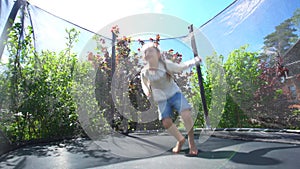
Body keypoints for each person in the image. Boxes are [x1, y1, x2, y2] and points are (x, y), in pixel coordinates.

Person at [140, 43, 201, 155]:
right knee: (166, 122)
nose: (148, 53)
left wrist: (195, 60)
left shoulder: (166, 65)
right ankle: (180, 140)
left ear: (158, 54)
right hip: (162, 99)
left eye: (151, 51)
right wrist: (147, 91)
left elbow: (181, 67)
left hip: (174, 94)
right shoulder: (145, 72)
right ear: (144, 57)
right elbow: (144, 84)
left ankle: (192, 142)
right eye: (145, 52)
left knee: (186, 115)